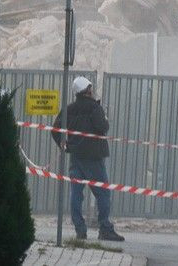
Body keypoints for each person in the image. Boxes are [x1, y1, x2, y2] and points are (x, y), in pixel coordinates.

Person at [51, 76, 124, 242]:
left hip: (76, 157)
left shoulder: (68, 109)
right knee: (103, 194)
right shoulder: (94, 108)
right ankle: (105, 228)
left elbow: (55, 129)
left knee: (76, 194)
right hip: (94, 158)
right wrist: (104, 118)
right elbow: (103, 127)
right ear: (88, 90)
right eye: (90, 87)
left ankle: (80, 230)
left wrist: (63, 144)